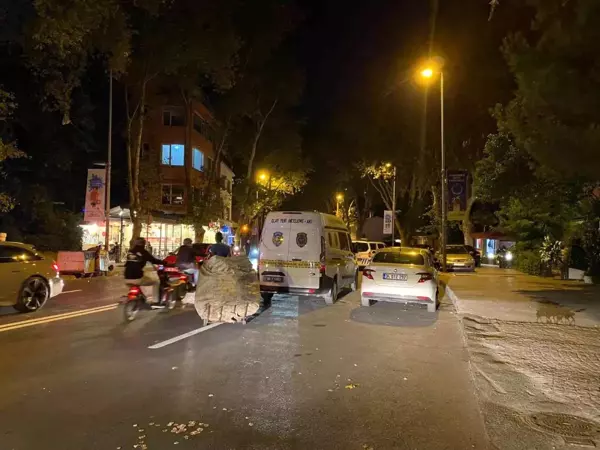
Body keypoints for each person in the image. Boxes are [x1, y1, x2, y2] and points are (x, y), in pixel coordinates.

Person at [124, 237, 164, 303]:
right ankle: (155, 301)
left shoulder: (130, 251)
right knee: (156, 282)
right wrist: (165, 262)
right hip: (137, 277)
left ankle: (141, 297)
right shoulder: (144, 252)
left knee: (141, 280)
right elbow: (154, 260)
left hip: (126, 278)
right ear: (144, 244)